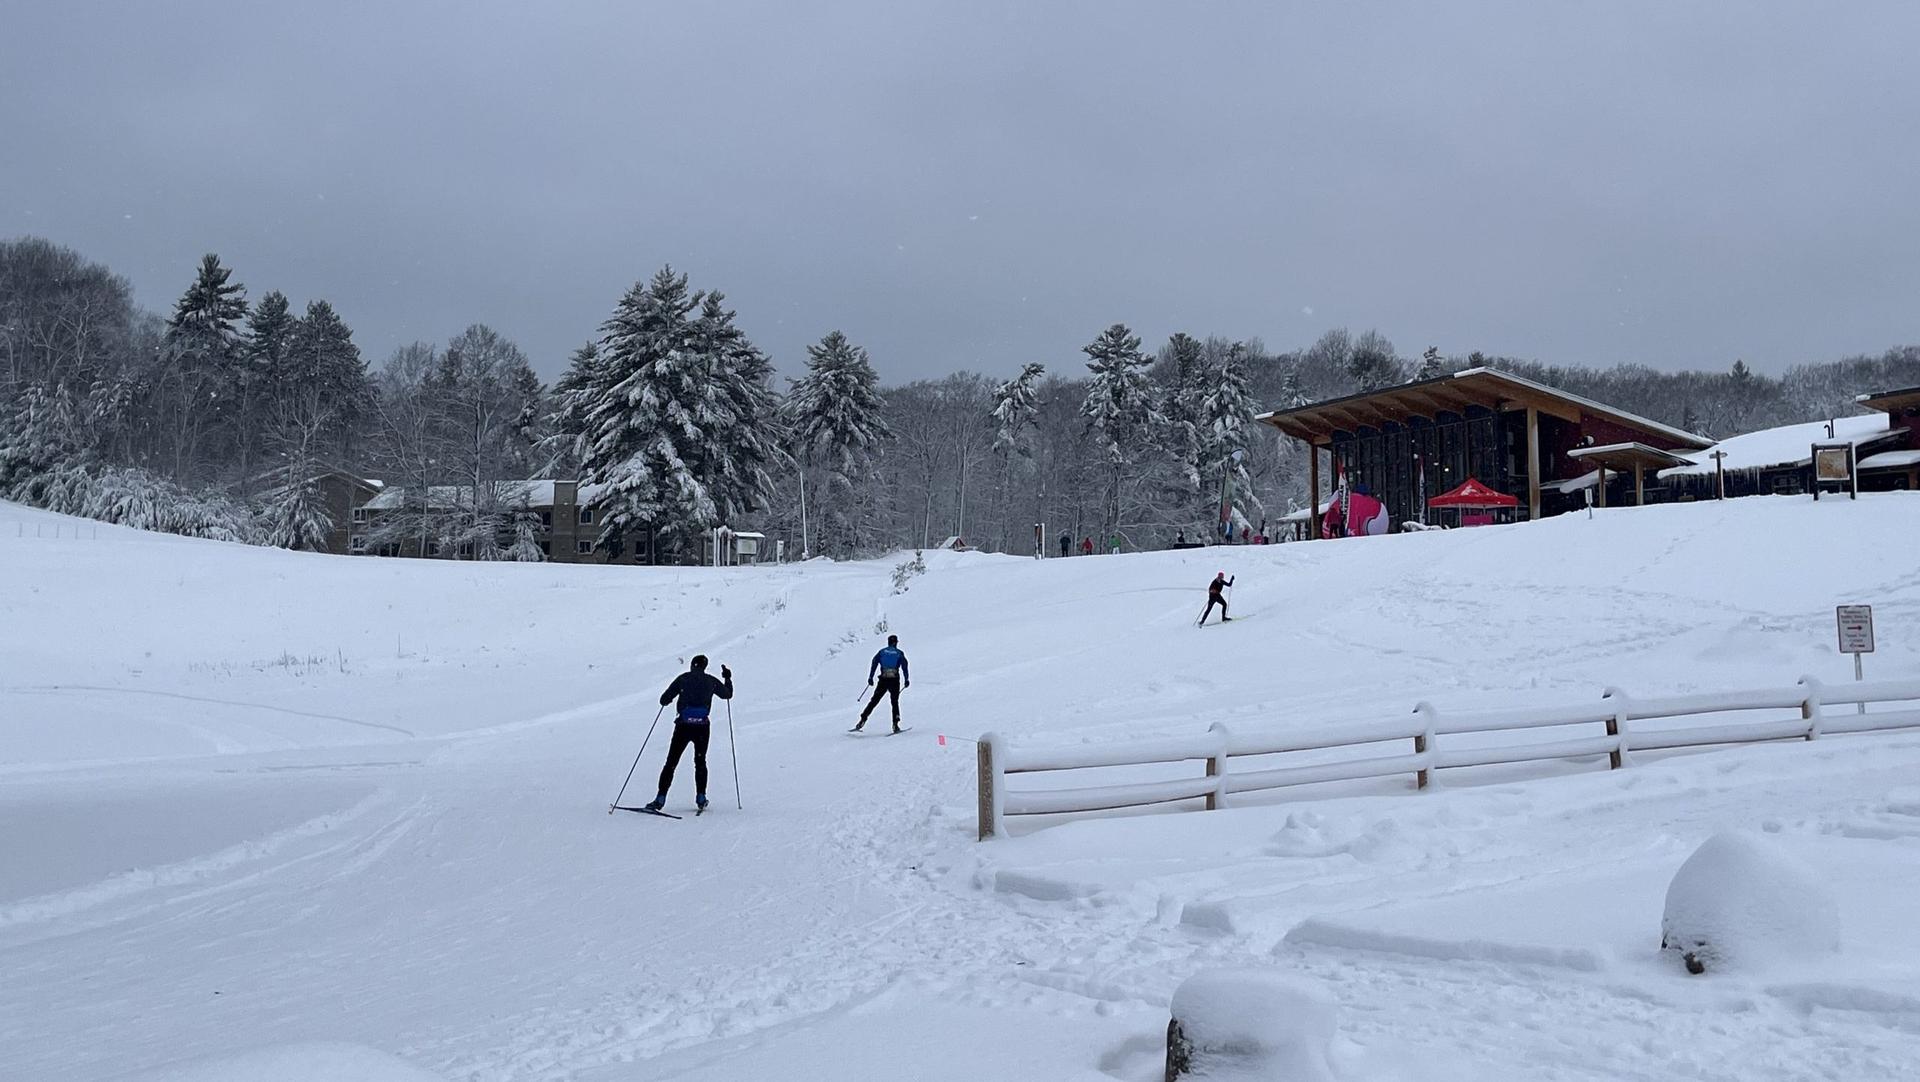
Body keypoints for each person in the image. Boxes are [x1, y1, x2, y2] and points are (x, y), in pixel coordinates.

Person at [645, 654, 733, 811]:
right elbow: (727, 695)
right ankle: (701, 797)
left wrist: (672, 698)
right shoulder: (711, 681)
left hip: (683, 727)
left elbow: (664, 700)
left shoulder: (683, 679)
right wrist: (727, 678)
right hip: (702, 728)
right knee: (700, 762)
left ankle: (660, 798)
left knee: (671, 762)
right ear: (705, 667)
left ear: (692, 665)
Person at [855, 634, 910, 733]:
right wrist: (906, 679)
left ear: (889, 642)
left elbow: (874, 662)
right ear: (895, 643)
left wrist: (871, 677)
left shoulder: (882, 652)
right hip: (894, 680)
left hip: (883, 679)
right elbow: (905, 666)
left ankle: (862, 720)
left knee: (874, 701)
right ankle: (895, 724)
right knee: (894, 702)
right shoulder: (899, 653)